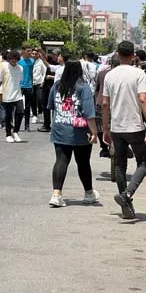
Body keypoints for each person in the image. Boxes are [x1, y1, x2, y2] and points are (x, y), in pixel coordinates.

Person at [103, 41, 146, 220]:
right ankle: (127, 195)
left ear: (117, 54)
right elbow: (143, 99)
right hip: (135, 126)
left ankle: (127, 204)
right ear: (133, 56)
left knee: (120, 165)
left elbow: (105, 103)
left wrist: (106, 128)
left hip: (117, 126)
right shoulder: (139, 73)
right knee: (143, 163)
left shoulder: (110, 75)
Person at [47, 61, 99, 208]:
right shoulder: (83, 87)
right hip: (79, 131)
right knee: (83, 162)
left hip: (59, 128)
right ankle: (88, 193)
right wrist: (94, 132)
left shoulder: (57, 86)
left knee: (61, 160)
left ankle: (56, 194)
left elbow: (51, 105)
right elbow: (89, 113)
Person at [0, 50, 24, 143]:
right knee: (8, 115)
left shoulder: (20, 68)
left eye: (15, 59)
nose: (13, 61)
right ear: (9, 59)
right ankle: (8, 134)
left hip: (18, 94)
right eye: (12, 59)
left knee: (20, 112)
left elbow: (20, 80)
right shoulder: (4, 68)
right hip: (7, 95)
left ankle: (16, 131)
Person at [94, 56, 119, 158]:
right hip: (117, 104)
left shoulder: (102, 73)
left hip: (101, 103)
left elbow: (96, 89)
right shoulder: (122, 74)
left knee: (100, 127)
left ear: (110, 63)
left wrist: (96, 101)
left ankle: (104, 148)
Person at [18, 45, 35, 131]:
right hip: (20, 86)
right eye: (28, 51)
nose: (30, 52)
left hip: (28, 86)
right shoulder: (19, 61)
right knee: (18, 106)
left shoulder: (32, 61)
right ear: (23, 51)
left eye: (30, 51)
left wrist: (32, 83)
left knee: (28, 107)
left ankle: (27, 125)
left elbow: (31, 73)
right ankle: (16, 124)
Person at [31, 49, 46, 125]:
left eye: (35, 54)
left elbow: (44, 72)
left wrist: (42, 82)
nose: (34, 55)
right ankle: (34, 115)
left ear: (38, 54)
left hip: (39, 83)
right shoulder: (30, 62)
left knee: (39, 99)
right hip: (31, 83)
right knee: (32, 100)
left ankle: (40, 113)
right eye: (33, 53)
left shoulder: (41, 62)